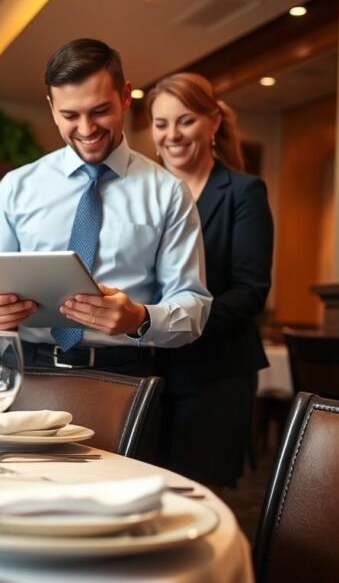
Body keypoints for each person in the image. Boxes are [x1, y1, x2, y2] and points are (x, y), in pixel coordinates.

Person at [0, 39, 212, 377]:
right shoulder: (15, 187)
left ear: (125, 96)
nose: (86, 129)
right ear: (51, 108)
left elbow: (193, 308)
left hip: (124, 377)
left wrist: (139, 318)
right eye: (69, 115)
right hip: (25, 369)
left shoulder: (168, 193)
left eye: (99, 111)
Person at [147, 72, 274, 487]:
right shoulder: (139, 190)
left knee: (196, 497)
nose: (172, 135)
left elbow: (251, 292)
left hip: (215, 375)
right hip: (144, 369)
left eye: (185, 121)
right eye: (161, 124)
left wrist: (177, 323)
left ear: (213, 121)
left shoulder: (243, 192)